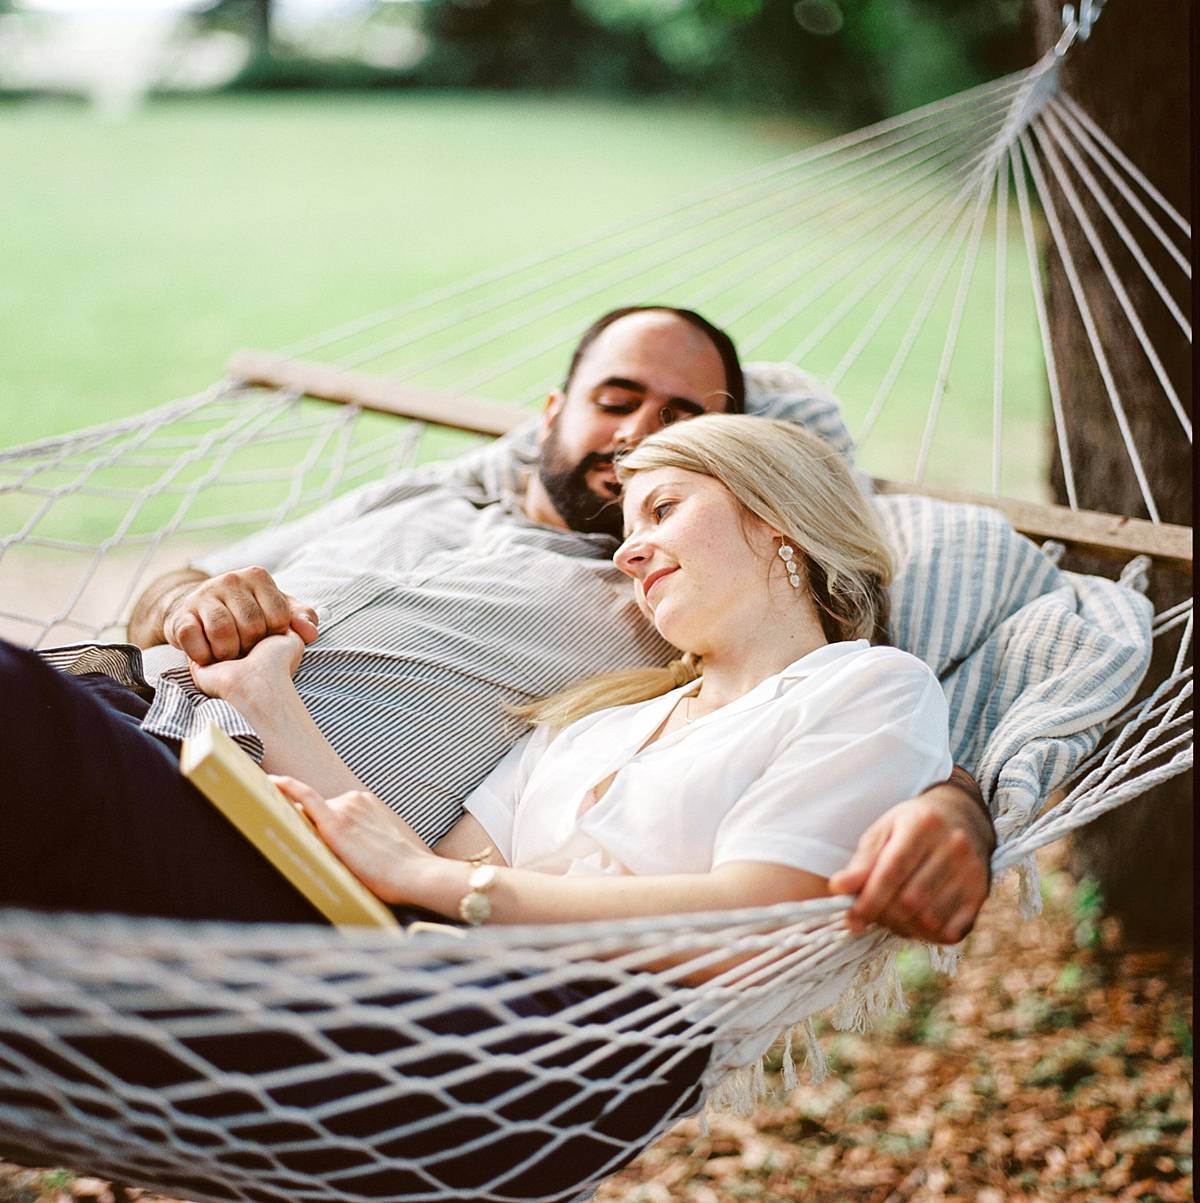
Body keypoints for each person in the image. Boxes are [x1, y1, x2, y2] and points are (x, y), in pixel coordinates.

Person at [0, 414, 955, 1199]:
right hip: (371, 985)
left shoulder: (867, 688)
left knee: (30, 719)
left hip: (536, 1065)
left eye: (665, 508)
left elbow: (755, 918)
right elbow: (402, 869)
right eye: (629, 521)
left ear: (780, 519)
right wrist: (266, 697)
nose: (628, 548)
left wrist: (441, 880)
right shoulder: (599, 716)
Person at [57, 306, 994, 941]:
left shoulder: (658, 615)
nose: (634, 438)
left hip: (232, 828)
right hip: (123, 704)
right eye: (617, 401)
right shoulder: (429, 499)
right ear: (552, 413)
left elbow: (851, 698)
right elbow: (176, 585)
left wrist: (958, 808)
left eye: (678, 425)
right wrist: (195, 601)